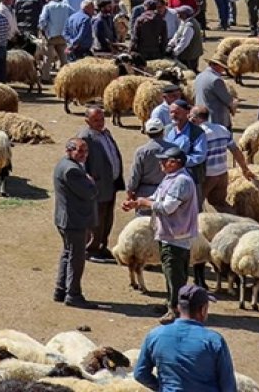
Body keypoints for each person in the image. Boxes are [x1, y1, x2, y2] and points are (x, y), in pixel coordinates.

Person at [122, 145, 197, 321]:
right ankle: (171, 303)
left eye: (164, 160)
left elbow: (167, 207)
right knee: (170, 271)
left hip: (177, 236)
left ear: (174, 163)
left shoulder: (181, 181)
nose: (160, 163)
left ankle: (176, 310)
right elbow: (156, 198)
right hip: (169, 234)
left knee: (175, 274)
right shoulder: (170, 178)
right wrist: (136, 203)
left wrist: (143, 202)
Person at [133, 284, 237, 391]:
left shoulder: (155, 335)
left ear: (178, 307)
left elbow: (140, 374)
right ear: (203, 309)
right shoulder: (214, 341)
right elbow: (228, 386)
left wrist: (162, 388)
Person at [53, 138, 97, 308]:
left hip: (66, 219)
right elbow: (89, 192)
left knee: (67, 253)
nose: (84, 155)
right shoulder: (71, 170)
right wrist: (91, 183)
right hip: (74, 220)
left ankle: (60, 289)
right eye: (80, 151)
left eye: (85, 151)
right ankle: (73, 294)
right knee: (76, 258)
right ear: (69, 150)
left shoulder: (64, 164)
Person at [77, 107, 123, 264]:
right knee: (96, 218)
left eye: (102, 119)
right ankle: (91, 249)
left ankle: (102, 245)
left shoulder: (106, 133)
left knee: (107, 217)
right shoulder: (85, 137)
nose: (100, 122)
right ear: (87, 121)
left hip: (110, 184)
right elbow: (79, 162)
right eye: (96, 120)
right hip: (97, 186)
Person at [190, 106, 255, 215]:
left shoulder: (198, 133)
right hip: (222, 173)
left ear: (195, 118)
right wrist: (244, 169)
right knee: (220, 204)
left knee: (195, 206)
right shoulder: (222, 129)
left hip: (207, 175)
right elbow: (235, 151)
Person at [194, 58, 235, 129]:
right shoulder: (216, 80)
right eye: (223, 67)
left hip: (200, 116)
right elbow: (227, 100)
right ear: (217, 66)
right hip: (215, 118)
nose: (223, 70)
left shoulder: (199, 76)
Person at [168, 6, 204, 72]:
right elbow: (177, 34)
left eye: (179, 13)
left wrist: (174, 53)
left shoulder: (189, 25)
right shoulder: (183, 22)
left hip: (190, 55)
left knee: (189, 71)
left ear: (185, 14)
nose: (177, 14)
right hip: (188, 53)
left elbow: (184, 42)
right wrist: (170, 44)